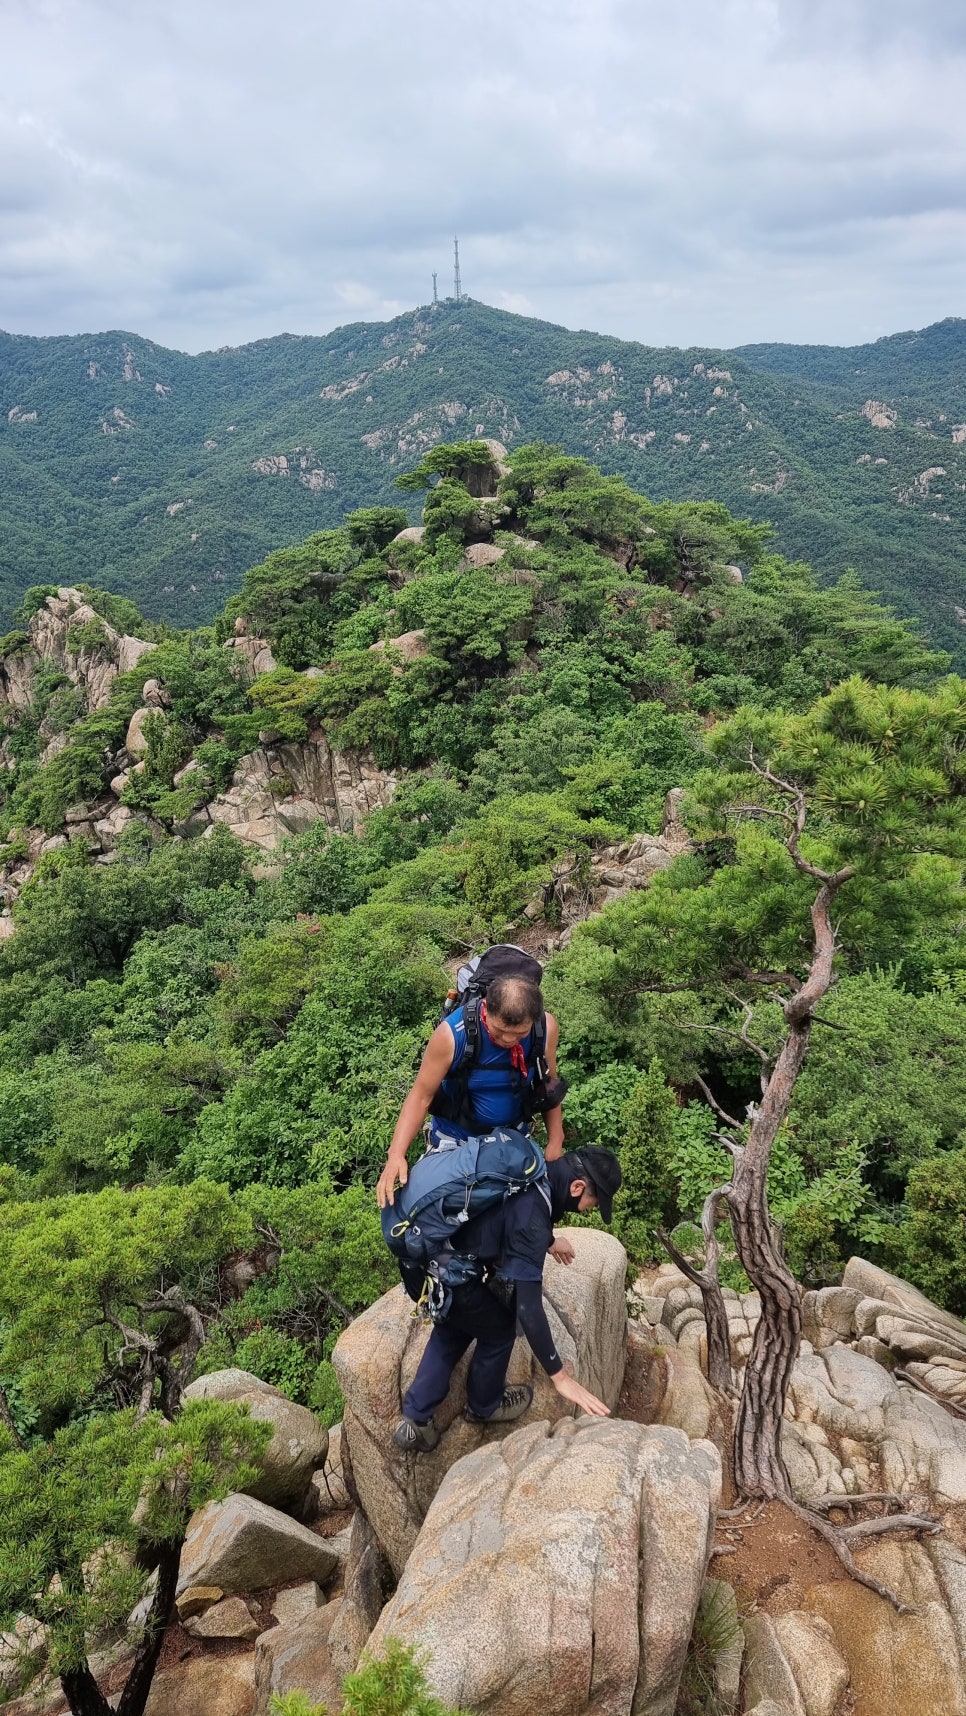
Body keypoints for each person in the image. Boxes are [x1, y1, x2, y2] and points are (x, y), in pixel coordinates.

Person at [388, 1145, 623, 1450]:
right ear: (577, 1187)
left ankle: (415, 1419)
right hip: (449, 1277)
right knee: (499, 1331)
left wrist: (549, 1240)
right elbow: (528, 1307)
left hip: (424, 1259)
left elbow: (507, 1211)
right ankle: (484, 1406)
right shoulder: (533, 1218)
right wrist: (560, 1377)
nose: (588, 1209)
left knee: (457, 1325)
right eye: (591, 1203)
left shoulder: (529, 1163)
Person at [375, 974, 564, 1211]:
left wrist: (556, 1139)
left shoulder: (544, 1028)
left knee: (512, 1216)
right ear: (486, 1007)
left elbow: (548, 1086)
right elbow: (421, 1096)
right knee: (446, 1215)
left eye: (519, 1034)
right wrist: (396, 1154)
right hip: (456, 1139)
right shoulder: (452, 1035)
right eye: (500, 1030)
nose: (508, 1040)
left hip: (513, 1137)